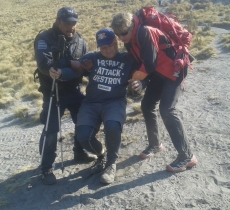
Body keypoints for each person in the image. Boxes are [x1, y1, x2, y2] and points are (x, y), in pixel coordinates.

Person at [111, 12, 198, 173]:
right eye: (118, 35)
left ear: (132, 26)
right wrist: (140, 82)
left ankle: (187, 156)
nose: (121, 37)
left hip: (174, 70)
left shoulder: (145, 32)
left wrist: (140, 80)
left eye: (123, 33)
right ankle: (155, 144)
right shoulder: (130, 40)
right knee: (147, 105)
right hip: (159, 73)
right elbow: (141, 64)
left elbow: (149, 64)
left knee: (167, 110)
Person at [34, 6, 97, 185]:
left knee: (83, 122)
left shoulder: (80, 40)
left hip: (74, 91)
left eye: (74, 23)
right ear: (58, 21)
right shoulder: (44, 38)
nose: (71, 27)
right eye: (67, 23)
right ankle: (46, 168)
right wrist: (53, 69)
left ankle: (79, 152)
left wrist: (84, 68)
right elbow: (43, 62)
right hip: (52, 92)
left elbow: (84, 64)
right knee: (51, 130)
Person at [71, 28, 141, 184]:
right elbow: (76, 66)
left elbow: (143, 69)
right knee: (82, 135)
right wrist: (73, 67)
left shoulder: (127, 59)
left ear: (116, 42)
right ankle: (101, 155)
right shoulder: (91, 58)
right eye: (103, 47)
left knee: (112, 126)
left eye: (110, 45)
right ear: (98, 47)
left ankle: (111, 163)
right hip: (91, 102)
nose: (107, 50)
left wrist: (140, 83)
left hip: (114, 101)